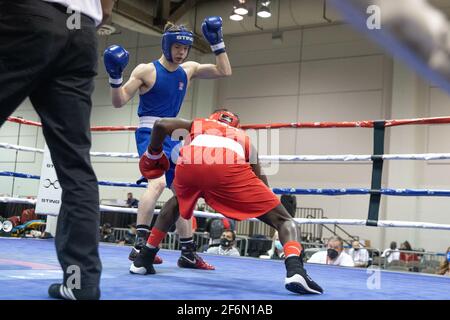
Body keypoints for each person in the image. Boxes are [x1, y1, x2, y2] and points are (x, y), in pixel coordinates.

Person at [130, 110, 323, 295]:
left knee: (175, 202)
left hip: (190, 164)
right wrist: (268, 207)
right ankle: (296, 271)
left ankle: (144, 259)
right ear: (236, 125)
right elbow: (260, 181)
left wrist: (153, 154)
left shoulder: (199, 123)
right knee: (285, 221)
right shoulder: (243, 138)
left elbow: (160, 124)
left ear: (212, 118)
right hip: (229, 171)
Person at [0, 0, 115, 300]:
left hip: (26, 15)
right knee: (76, 166)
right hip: (82, 30)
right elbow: (109, 7)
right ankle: (82, 284)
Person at [104, 17, 232, 268]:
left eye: (185, 48)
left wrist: (218, 44)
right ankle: (140, 243)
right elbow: (119, 101)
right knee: (158, 182)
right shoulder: (146, 70)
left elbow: (224, 71)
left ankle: (187, 252)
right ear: (166, 45)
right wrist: (115, 77)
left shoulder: (189, 69)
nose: (182, 53)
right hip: (150, 133)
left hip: (174, 137)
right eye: (177, 47)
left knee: (183, 191)